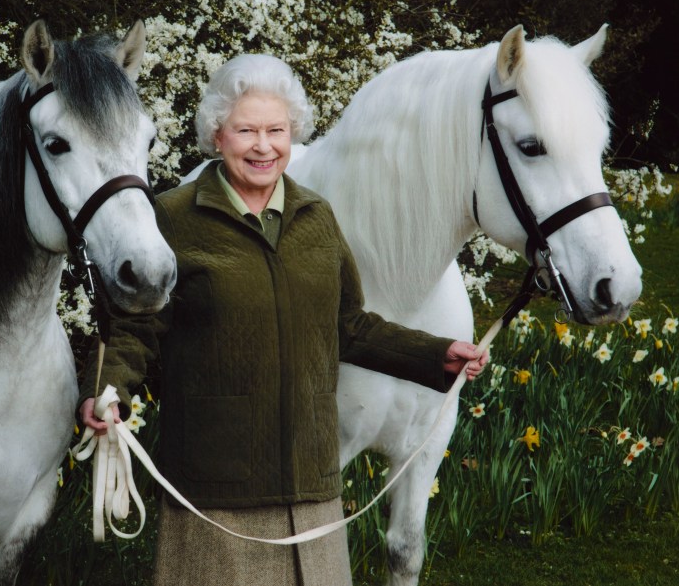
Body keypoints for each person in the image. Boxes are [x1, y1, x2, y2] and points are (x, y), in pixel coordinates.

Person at [78, 54, 488, 586]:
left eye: (276, 130)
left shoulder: (317, 217)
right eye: (246, 130)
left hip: (312, 491)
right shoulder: (174, 217)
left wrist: (435, 354)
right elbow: (136, 327)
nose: (263, 145)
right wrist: (106, 389)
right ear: (216, 136)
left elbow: (349, 326)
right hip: (216, 492)